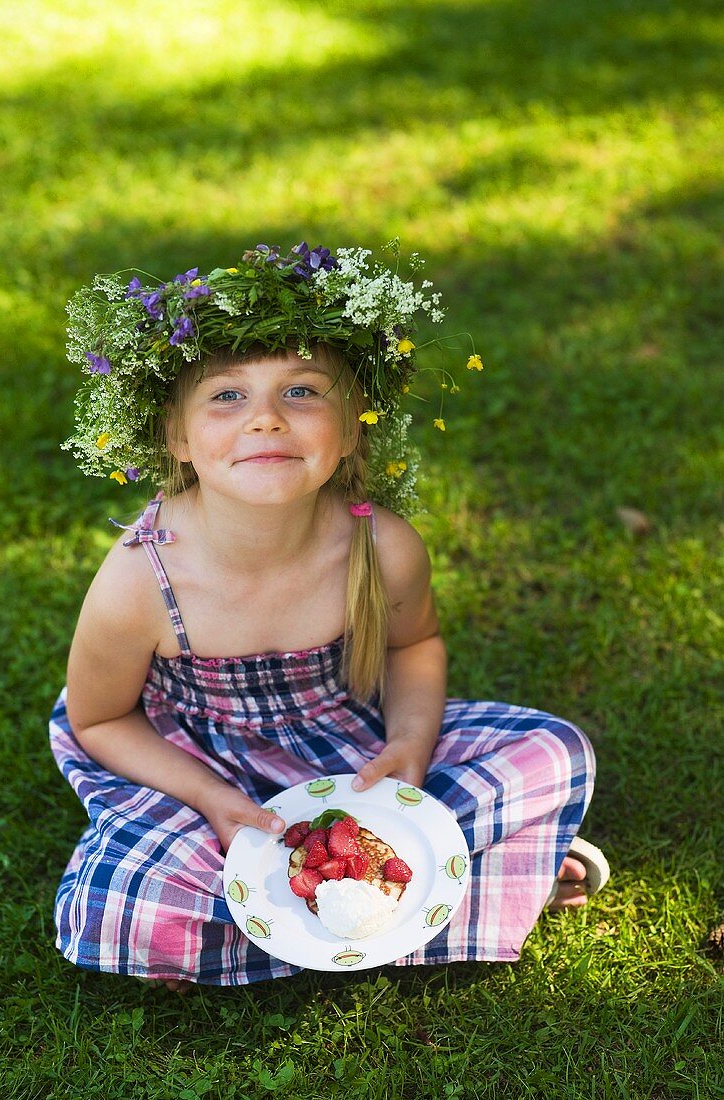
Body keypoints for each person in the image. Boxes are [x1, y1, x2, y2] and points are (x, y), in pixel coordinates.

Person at [49, 241, 609, 990]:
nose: (267, 421)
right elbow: (99, 722)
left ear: (351, 430)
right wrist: (212, 799)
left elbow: (416, 646)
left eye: (303, 392)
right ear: (176, 439)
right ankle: (455, 885)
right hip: (199, 769)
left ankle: (308, 914)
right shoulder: (140, 578)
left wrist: (409, 747)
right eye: (226, 396)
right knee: (130, 909)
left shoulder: (379, 544)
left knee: (553, 749)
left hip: (353, 747)